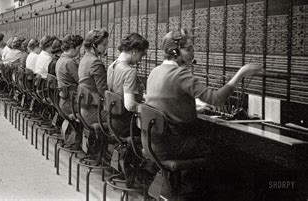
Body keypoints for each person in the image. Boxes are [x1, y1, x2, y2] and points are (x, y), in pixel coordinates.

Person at [144, 28, 262, 161]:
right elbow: (217, 99)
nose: (192, 53)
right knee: (223, 149)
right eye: (188, 49)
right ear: (175, 52)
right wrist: (241, 73)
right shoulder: (179, 75)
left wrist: (193, 107)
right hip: (175, 146)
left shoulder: (155, 72)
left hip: (154, 144)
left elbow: (167, 105)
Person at [107, 33, 149, 137]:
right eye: (142, 54)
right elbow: (129, 105)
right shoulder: (129, 71)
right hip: (126, 124)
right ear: (134, 51)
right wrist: (146, 108)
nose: (141, 59)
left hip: (112, 121)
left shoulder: (111, 66)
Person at [78, 29, 109, 125]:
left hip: (84, 109)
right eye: (104, 44)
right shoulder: (95, 62)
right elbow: (103, 91)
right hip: (93, 112)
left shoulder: (84, 59)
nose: (106, 47)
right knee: (123, 119)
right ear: (94, 45)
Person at [56, 34, 83, 116]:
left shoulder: (60, 60)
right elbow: (80, 81)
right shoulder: (69, 62)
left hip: (64, 101)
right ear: (72, 47)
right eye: (78, 48)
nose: (79, 52)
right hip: (71, 103)